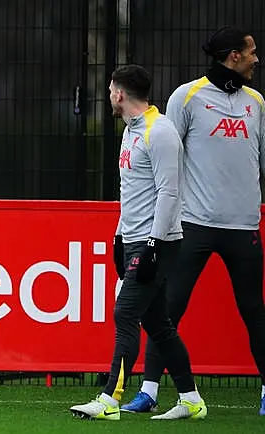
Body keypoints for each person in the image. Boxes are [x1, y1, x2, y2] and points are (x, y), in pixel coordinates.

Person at [122, 26, 265, 417]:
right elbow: (168, 157)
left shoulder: (257, 101)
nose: (257, 58)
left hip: (244, 227)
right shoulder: (186, 97)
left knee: (254, 311)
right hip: (193, 225)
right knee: (166, 309)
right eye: (251, 52)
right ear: (233, 56)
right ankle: (149, 391)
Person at [70, 65, 207, 421]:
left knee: (124, 313)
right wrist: (120, 236)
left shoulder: (160, 132)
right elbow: (132, 193)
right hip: (135, 240)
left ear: (119, 94)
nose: (109, 97)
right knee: (159, 324)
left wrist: (152, 244)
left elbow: (169, 192)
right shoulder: (130, 132)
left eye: (111, 91)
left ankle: (109, 399)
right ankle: (191, 399)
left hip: (156, 243)